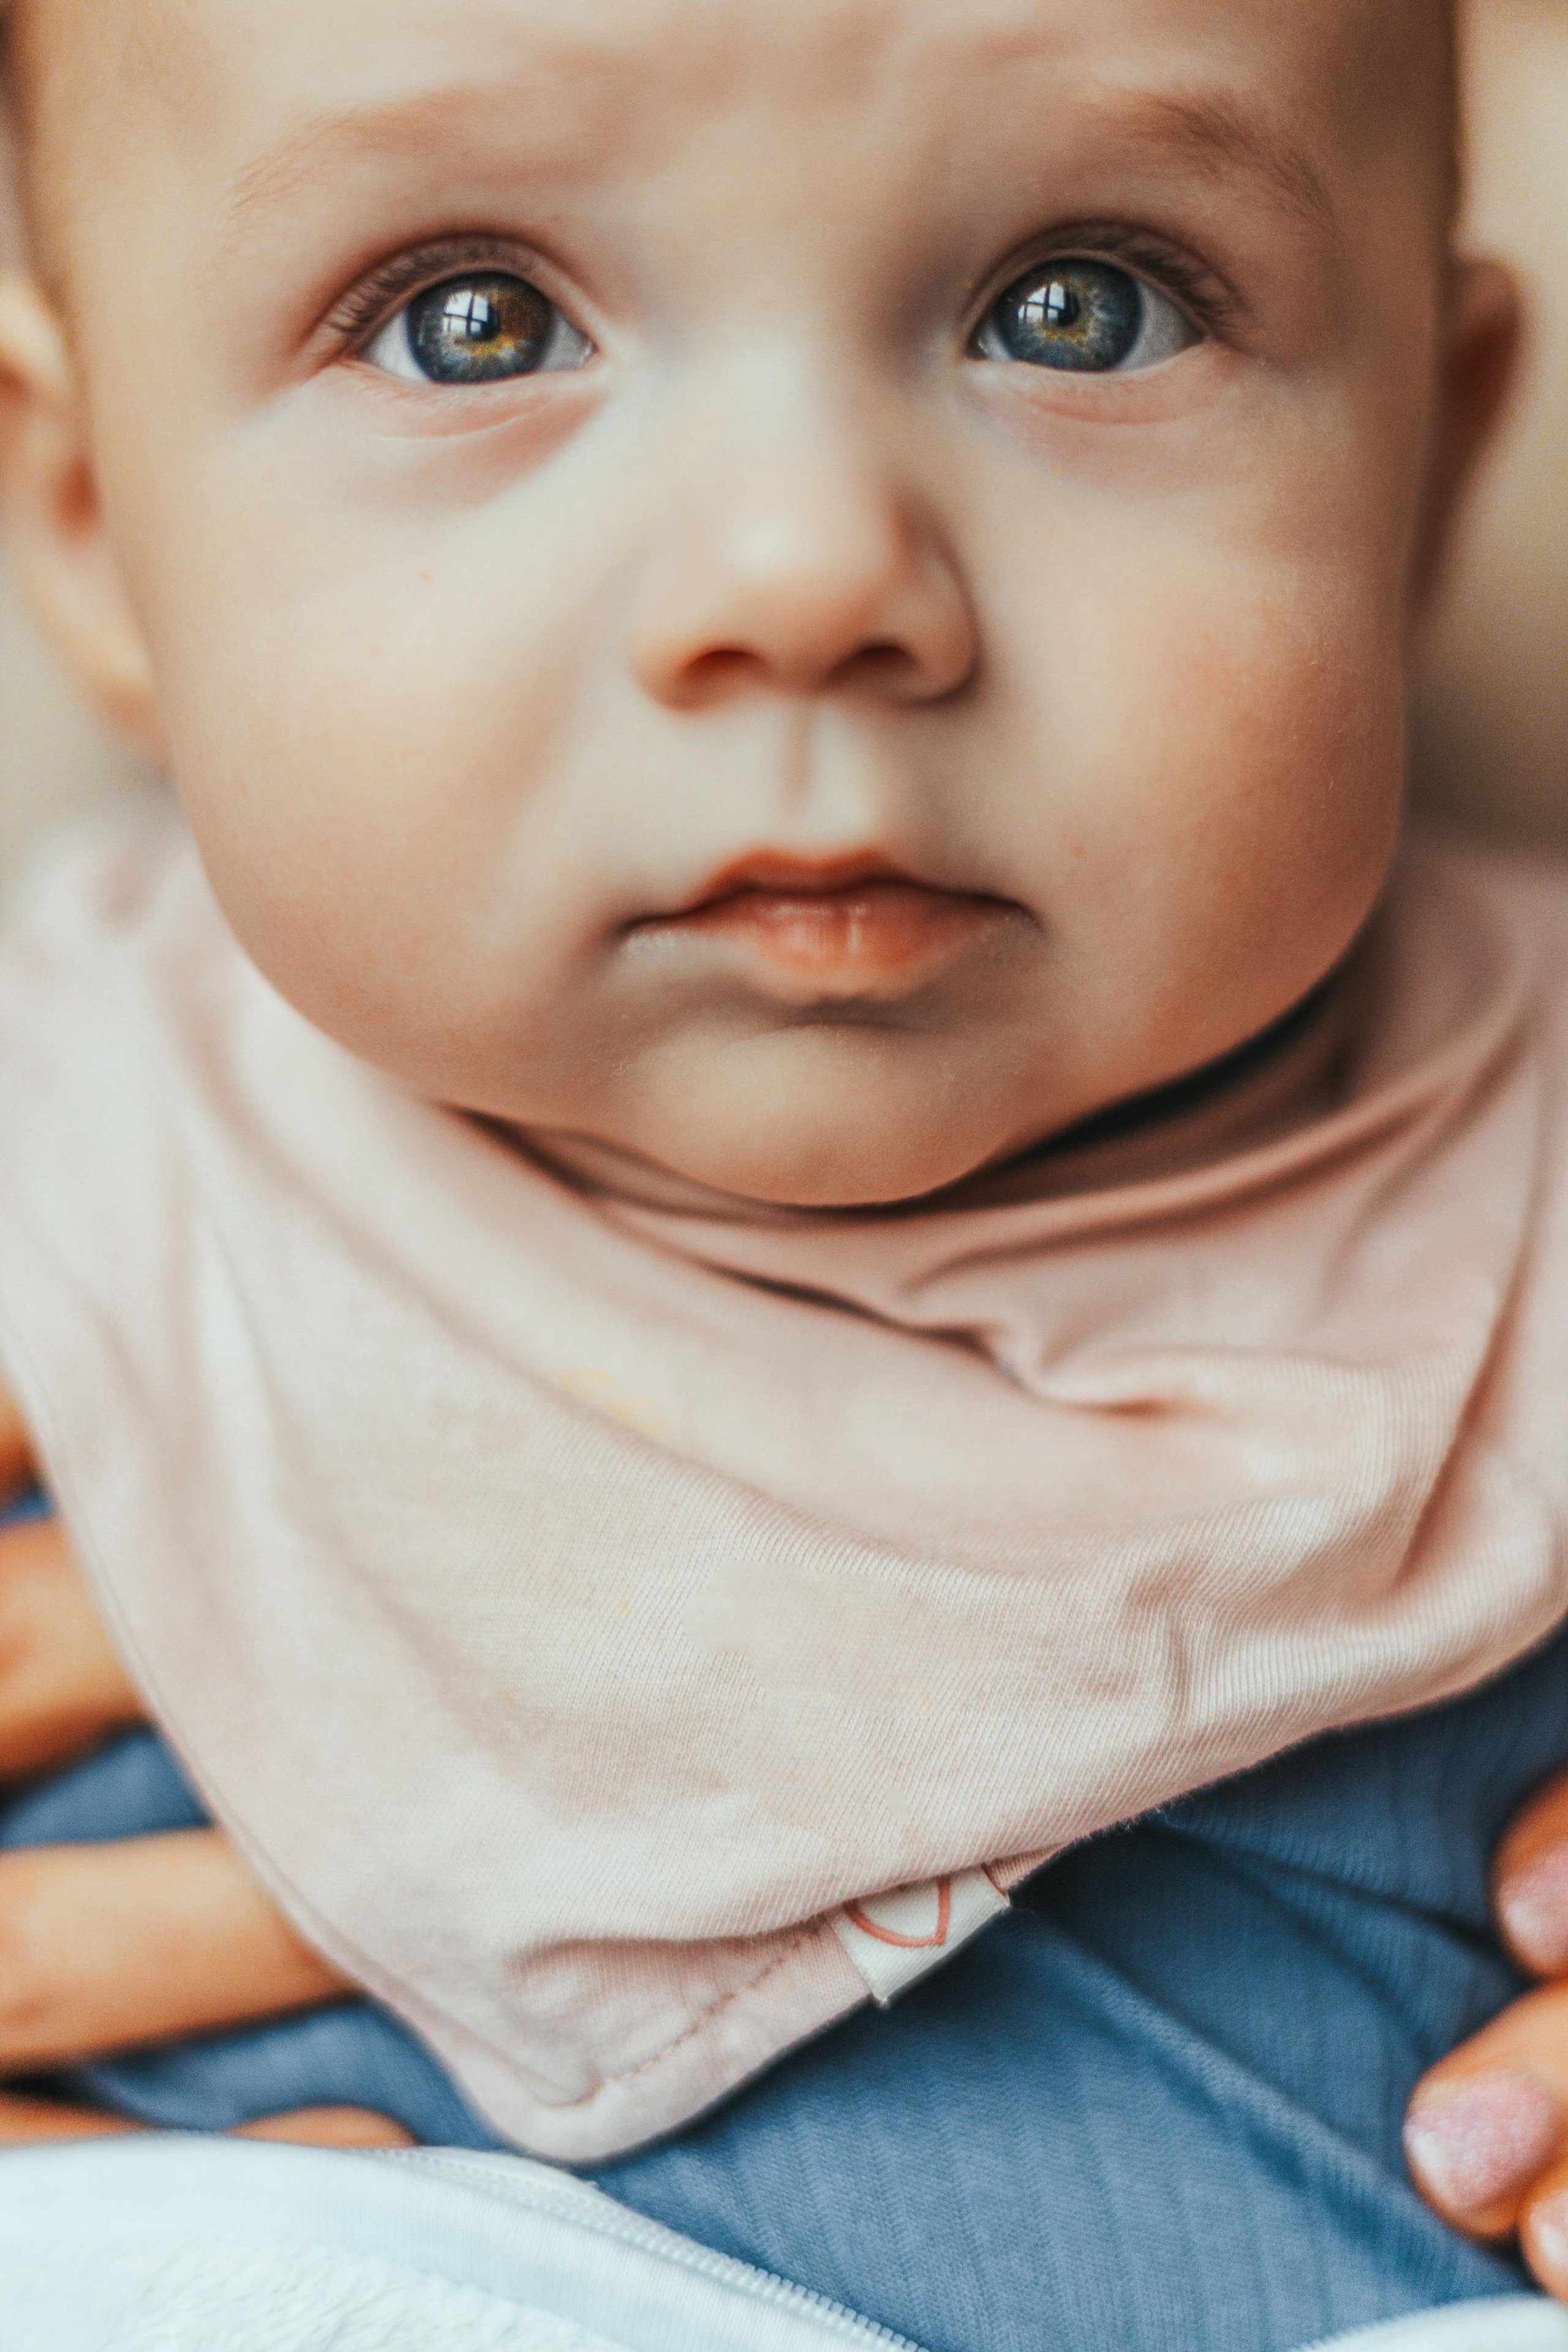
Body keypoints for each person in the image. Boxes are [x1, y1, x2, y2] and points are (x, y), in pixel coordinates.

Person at [3, 0, 1568, 2345]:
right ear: (100, 529)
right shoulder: (63, 1147)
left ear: (1428, 474)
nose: (814, 569)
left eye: (1084, 305)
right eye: (476, 321)